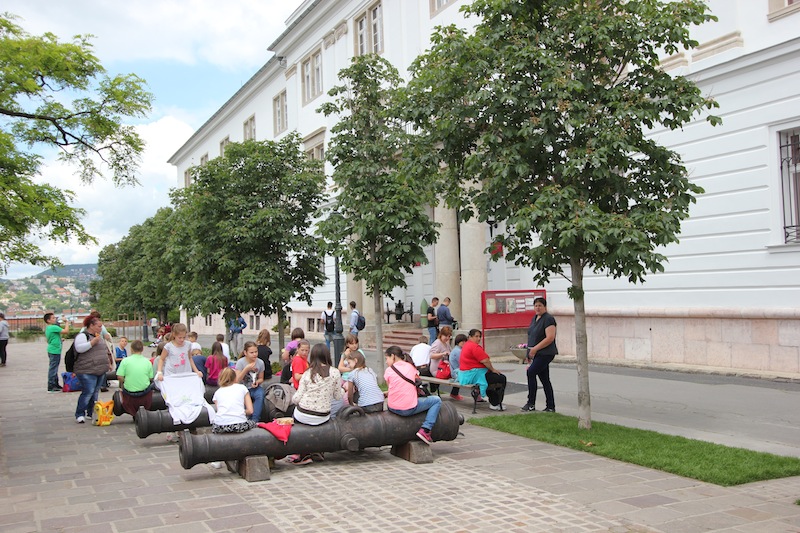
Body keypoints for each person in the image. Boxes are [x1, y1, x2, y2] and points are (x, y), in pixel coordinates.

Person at [384, 345, 442, 445]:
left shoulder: (389, 371)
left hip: (392, 407)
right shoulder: (410, 367)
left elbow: (390, 388)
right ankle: (426, 429)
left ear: (393, 356)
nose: (386, 361)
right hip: (408, 408)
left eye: (387, 358)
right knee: (436, 400)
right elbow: (416, 383)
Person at [73, 316, 114, 423]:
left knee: (95, 392)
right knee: (88, 391)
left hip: (100, 369)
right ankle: (80, 413)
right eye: (99, 326)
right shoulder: (83, 336)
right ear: (91, 326)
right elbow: (79, 348)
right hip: (86, 369)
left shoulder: (99, 336)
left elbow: (104, 350)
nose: (101, 328)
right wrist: (92, 342)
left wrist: (108, 362)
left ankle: (90, 411)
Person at [521, 297, 558, 413]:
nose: (537, 308)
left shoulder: (548, 319)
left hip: (545, 353)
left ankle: (531, 403)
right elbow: (532, 337)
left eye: (540, 305)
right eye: (536, 305)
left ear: (545, 307)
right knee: (545, 379)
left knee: (531, 372)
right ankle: (550, 406)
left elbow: (550, 338)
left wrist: (535, 349)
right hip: (535, 353)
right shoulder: (535, 318)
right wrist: (529, 353)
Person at [459, 329, 507, 411]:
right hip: (474, 375)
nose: (478, 339)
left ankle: (494, 401)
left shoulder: (466, 345)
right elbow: (485, 361)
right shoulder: (474, 347)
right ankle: (495, 403)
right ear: (470, 337)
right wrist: (493, 369)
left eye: (479, 336)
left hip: (466, 375)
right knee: (501, 378)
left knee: (491, 379)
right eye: (476, 336)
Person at [155, 323, 204, 389]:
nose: (182, 340)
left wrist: (196, 371)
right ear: (174, 335)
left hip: (185, 372)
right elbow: (162, 359)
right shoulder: (169, 346)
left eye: (184, 337)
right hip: (172, 373)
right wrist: (159, 372)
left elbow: (189, 358)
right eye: (180, 338)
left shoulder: (188, 345)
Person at [116, 340, 154, 416]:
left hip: (129, 392)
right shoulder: (147, 362)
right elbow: (151, 378)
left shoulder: (125, 361)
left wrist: (125, 381)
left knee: (123, 387)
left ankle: (132, 411)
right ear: (142, 349)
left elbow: (119, 377)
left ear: (131, 349)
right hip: (144, 392)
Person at [212, 367, 256, 433]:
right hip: (239, 424)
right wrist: (239, 412)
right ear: (235, 378)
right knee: (253, 423)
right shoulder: (242, 388)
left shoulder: (217, 392)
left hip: (219, 425)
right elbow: (250, 411)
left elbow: (221, 411)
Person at [235, 341, 266, 422]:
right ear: (245, 353)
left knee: (260, 394)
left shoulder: (260, 362)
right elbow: (237, 380)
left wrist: (257, 382)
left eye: (256, 352)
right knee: (243, 397)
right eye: (251, 352)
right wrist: (246, 369)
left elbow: (261, 378)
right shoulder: (241, 362)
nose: (254, 354)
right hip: (243, 387)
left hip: (255, 387)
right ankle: (245, 418)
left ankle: (255, 419)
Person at [430, 326, 462, 400]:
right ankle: (454, 393)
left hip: (445, 368)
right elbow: (431, 355)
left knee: (458, 373)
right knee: (458, 374)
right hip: (438, 369)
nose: (447, 338)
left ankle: (454, 393)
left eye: (449, 336)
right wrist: (442, 354)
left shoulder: (446, 344)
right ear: (441, 334)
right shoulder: (437, 343)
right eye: (446, 336)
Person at [44, 312, 69, 391]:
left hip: (52, 349)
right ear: (48, 320)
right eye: (53, 318)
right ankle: (51, 385)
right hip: (54, 350)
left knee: (54, 367)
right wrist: (66, 322)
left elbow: (49, 339)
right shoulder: (53, 327)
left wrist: (59, 340)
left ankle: (55, 384)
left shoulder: (48, 328)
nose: (55, 319)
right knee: (53, 368)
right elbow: (66, 331)